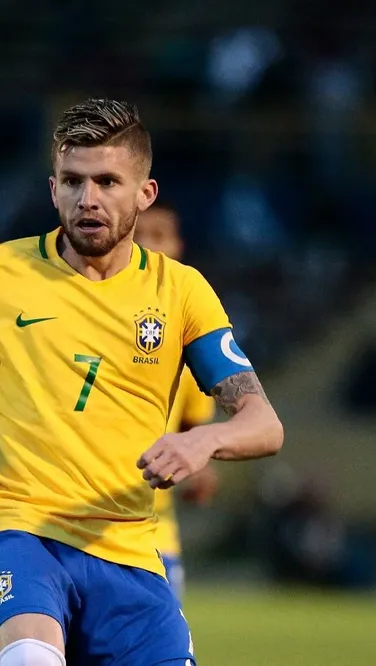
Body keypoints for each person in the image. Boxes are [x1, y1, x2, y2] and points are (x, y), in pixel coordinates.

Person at [0, 98, 285, 666]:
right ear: (52, 188)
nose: (88, 199)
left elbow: (264, 424)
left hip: (130, 549)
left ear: (145, 194)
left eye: (108, 181)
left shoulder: (181, 292)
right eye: (73, 181)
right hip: (22, 533)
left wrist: (203, 439)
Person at [133, 201, 220, 597]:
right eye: (139, 236)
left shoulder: (188, 341)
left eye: (159, 236)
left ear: (178, 246)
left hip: (156, 533)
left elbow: (194, 434)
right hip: (78, 525)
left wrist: (198, 473)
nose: (150, 246)